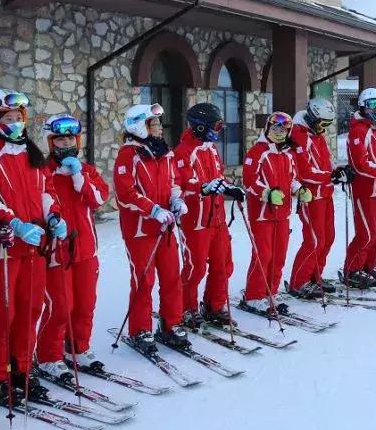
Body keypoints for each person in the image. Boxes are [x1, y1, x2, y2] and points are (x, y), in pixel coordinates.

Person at [0, 89, 67, 406]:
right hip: (5, 247)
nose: (15, 123)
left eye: (18, 117)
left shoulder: (29, 152)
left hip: (34, 245)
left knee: (31, 308)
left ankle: (21, 368)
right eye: (7, 118)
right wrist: (15, 224)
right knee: (2, 311)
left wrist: (53, 216)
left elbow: (46, 189)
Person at [35, 114, 110, 381]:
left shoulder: (87, 170)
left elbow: (100, 197)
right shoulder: (44, 172)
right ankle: (48, 356)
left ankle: (78, 347)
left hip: (86, 249)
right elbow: (39, 204)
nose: (65, 143)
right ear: (50, 142)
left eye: (70, 138)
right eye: (59, 139)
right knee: (60, 306)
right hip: (58, 250)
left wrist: (79, 176)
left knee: (85, 303)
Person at [113, 103, 190, 353]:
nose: (158, 128)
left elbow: (172, 182)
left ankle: (171, 324)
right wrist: (153, 210)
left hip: (165, 227)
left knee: (171, 276)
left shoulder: (164, 153)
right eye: (152, 124)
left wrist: (177, 200)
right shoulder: (129, 155)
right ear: (138, 126)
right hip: (140, 230)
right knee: (144, 280)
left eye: (158, 124)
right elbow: (125, 193)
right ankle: (140, 329)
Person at [173, 103, 244, 327]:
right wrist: (203, 188)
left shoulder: (211, 148)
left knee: (224, 264)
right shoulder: (183, 151)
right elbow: (182, 184)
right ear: (200, 127)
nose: (218, 129)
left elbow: (218, 175)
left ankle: (214, 305)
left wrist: (229, 186)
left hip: (217, 218)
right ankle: (187, 308)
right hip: (196, 221)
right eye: (215, 125)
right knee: (196, 268)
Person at [240, 111, 308, 313]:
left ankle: (271, 291)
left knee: (279, 254)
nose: (280, 133)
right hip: (262, 213)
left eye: (284, 130)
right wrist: (267, 193)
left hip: (282, 213)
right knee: (264, 254)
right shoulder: (258, 152)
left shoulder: (287, 153)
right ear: (268, 128)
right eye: (276, 128)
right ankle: (254, 295)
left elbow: (292, 177)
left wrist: (299, 189)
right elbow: (249, 180)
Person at [343, 88, 376, 288]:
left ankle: (369, 264)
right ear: (363, 106)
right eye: (372, 105)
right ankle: (353, 269)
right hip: (365, 190)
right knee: (366, 233)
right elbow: (360, 164)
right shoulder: (359, 130)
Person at [286, 98, 339, 299]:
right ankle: (299, 282)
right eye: (322, 123)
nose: (324, 128)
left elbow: (325, 162)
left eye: (328, 124)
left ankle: (315, 276)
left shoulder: (317, 135)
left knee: (328, 237)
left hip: (325, 193)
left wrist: (337, 171)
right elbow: (304, 171)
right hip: (310, 196)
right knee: (314, 239)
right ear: (312, 117)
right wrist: (328, 175)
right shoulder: (298, 136)